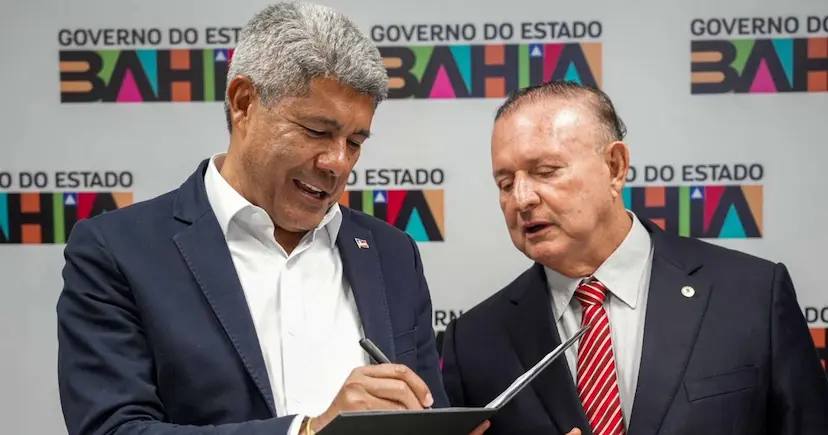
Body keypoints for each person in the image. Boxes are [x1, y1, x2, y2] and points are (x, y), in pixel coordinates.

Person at [56, 2, 489, 435]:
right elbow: (112, 429)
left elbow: (426, 413)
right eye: (317, 131)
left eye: (355, 142)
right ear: (244, 103)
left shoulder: (392, 253)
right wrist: (308, 431)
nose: (338, 162)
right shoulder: (118, 251)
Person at [440, 80, 828, 435]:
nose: (522, 198)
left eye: (545, 171)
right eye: (506, 183)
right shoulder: (472, 342)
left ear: (615, 167)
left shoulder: (752, 296)